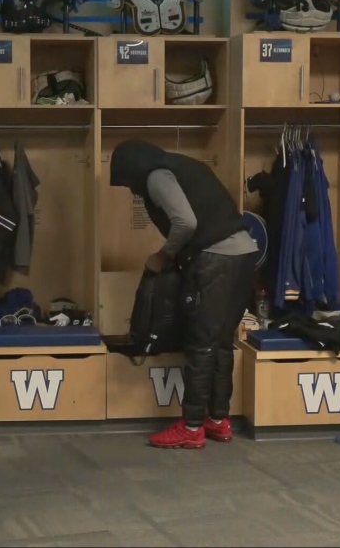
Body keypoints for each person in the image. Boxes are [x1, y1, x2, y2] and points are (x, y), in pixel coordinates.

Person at [109, 139, 258, 449]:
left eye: (129, 184)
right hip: (243, 254)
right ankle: (218, 420)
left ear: (133, 169)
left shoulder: (156, 176)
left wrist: (164, 255)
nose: (134, 191)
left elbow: (185, 222)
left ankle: (191, 427)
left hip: (217, 258)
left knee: (201, 343)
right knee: (220, 343)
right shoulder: (182, 165)